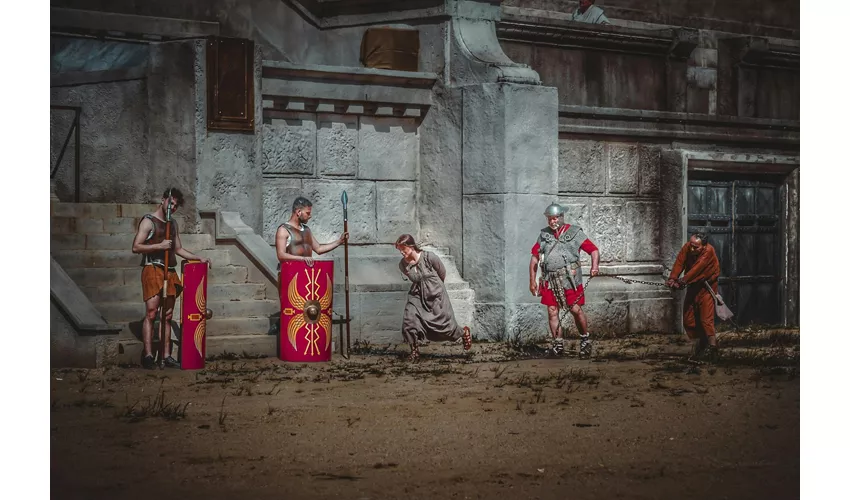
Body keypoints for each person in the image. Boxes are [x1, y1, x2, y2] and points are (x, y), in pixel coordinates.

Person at [132, 188, 210, 370]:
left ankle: (166, 355)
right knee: (152, 313)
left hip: (170, 271)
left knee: (167, 315)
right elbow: (136, 247)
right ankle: (148, 355)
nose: (172, 208)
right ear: (163, 200)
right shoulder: (149, 221)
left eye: (175, 206)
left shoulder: (172, 224)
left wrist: (198, 257)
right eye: (171, 203)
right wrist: (159, 246)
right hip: (153, 268)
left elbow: (178, 249)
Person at [529, 202, 600, 358]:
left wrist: (595, 266)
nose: (552, 221)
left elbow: (593, 250)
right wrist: (532, 281)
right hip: (550, 279)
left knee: (575, 309)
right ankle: (558, 344)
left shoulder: (574, 233)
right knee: (552, 311)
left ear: (561, 217)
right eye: (550, 219)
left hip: (570, 279)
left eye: (555, 218)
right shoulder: (544, 235)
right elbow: (534, 258)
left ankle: (585, 340)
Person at [396, 234, 472, 362]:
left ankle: (463, 333)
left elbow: (442, 272)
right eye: (399, 250)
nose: (401, 252)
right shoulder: (403, 264)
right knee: (409, 319)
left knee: (445, 326)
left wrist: (434, 288)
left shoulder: (429, 257)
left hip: (435, 294)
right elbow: (414, 278)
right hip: (417, 294)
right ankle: (414, 351)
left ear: (411, 246)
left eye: (403, 249)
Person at [666, 232, 721, 361]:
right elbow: (680, 262)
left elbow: (697, 269)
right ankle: (701, 344)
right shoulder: (688, 247)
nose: (692, 249)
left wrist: (682, 281)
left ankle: (713, 349)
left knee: (706, 319)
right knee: (688, 318)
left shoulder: (708, 251)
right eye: (691, 245)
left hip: (706, 288)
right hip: (693, 286)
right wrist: (672, 278)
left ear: (703, 246)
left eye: (695, 247)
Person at [275, 197, 348, 267]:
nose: (310, 216)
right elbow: (281, 255)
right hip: (290, 272)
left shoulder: (306, 230)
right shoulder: (283, 230)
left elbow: (319, 249)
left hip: (306, 272)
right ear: (299, 212)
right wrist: (302, 259)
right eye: (307, 213)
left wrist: (339, 242)